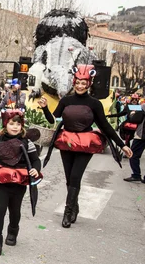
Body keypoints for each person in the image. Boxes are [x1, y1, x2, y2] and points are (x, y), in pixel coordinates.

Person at [39, 65, 132, 228]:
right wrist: (45, 107)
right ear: (74, 82)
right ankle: (74, 205)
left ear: (89, 84)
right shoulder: (66, 100)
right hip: (67, 141)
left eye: (84, 83)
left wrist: (121, 145)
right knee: (69, 179)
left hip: (85, 143)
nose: (80, 86)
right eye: (78, 82)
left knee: (75, 177)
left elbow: (105, 126)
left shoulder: (94, 103)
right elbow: (53, 120)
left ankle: (67, 213)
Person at [0, 110, 42, 255]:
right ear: (5, 125)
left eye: (18, 124)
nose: (15, 126)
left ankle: (13, 230)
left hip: (19, 181)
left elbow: (35, 159)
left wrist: (35, 169)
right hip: (1, 181)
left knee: (15, 210)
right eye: (11, 123)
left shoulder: (26, 142)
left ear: (22, 126)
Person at [123, 102, 145, 183]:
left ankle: (136, 175)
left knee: (133, 154)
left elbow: (134, 119)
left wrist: (132, 114)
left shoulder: (143, 106)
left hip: (141, 135)